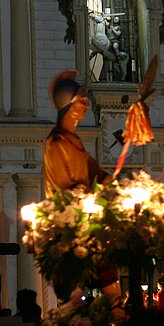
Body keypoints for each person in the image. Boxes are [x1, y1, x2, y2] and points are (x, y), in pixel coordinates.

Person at [43, 71, 121, 311]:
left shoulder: (75, 142)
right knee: (72, 293)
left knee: (112, 286)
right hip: (70, 229)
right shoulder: (57, 143)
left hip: (88, 225)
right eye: (82, 101)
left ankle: (118, 316)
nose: (87, 106)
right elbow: (69, 187)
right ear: (68, 105)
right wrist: (88, 192)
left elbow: (95, 173)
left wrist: (113, 180)